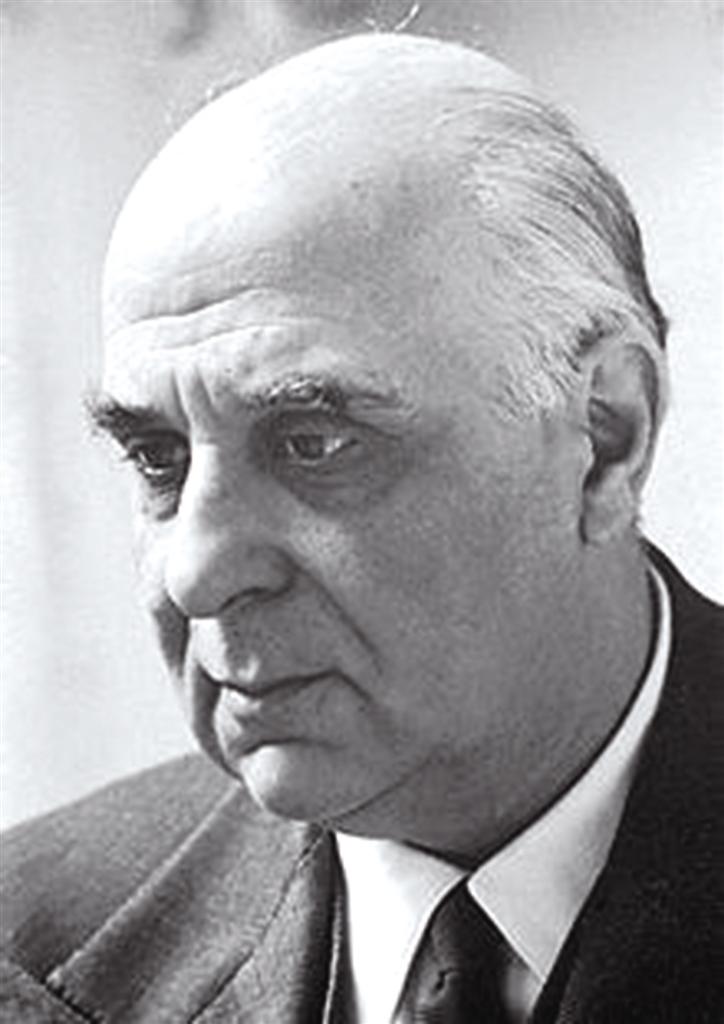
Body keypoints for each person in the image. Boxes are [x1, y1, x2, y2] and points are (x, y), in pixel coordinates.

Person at [1, 32, 721, 1024]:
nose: (195, 571)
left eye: (311, 443)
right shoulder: (25, 943)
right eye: (159, 459)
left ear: (603, 435)